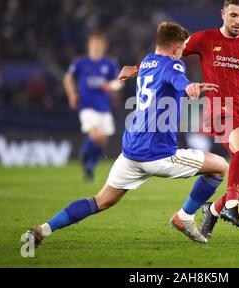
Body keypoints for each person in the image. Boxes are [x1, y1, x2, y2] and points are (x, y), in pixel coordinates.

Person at [25, 22, 227, 246]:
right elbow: (177, 78)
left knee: (100, 201)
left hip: (131, 152)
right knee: (220, 167)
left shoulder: (148, 61)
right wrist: (190, 86)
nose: (182, 53)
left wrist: (134, 69)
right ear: (176, 47)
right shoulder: (175, 65)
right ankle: (185, 217)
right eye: (182, 48)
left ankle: (43, 229)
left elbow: (155, 70)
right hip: (159, 154)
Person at [119, 0, 239, 238]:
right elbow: (167, 55)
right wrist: (137, 69)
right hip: (218, 108)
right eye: (233, 15)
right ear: (223, 14)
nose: (238, 21)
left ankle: (213, 209)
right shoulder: (204, 39)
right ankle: (232, 206)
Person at [63, 32, 123, 182]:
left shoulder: (109, 63)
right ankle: (83, 155)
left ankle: (90, 167)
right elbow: (68, 77)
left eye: (99, 43)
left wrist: (111, 85)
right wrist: (71, 94)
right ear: (89, 45)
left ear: (104, 46)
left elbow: (120, 81)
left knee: (102, 141)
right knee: (95, 135)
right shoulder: (80, 63)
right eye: (94, 43)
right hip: (87, 106)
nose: (97, 46)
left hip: (104, 107)